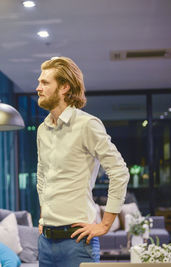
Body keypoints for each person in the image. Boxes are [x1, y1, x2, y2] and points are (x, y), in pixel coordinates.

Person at [35, 57, 129, 267]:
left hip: (77, 243)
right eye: (39, 82)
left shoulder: (87, 124)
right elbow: (42, 175)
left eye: (45, 82)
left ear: (64, 87)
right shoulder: (42, 129)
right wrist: (44, 216)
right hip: (45, 241)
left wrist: (105, 225)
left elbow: (119, 172)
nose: (38, 88)